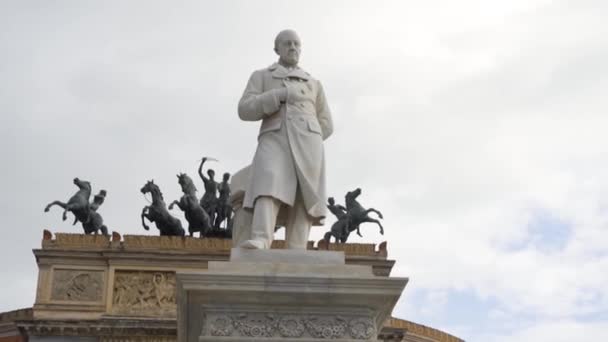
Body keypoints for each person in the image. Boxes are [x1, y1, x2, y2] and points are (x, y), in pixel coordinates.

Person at [237, 29, 333, 249]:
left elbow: (327, 123)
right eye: (288, 44)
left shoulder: (314, 83)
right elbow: (244, 109)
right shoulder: (262, 75)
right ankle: (262, 237)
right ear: (277, 49)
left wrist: (311, 137)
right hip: (275, 137)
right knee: (268, 180)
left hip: (309, 143)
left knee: (303, 194)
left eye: (297, 44)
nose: (293, 48)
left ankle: (297, 246)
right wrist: (276, 96)